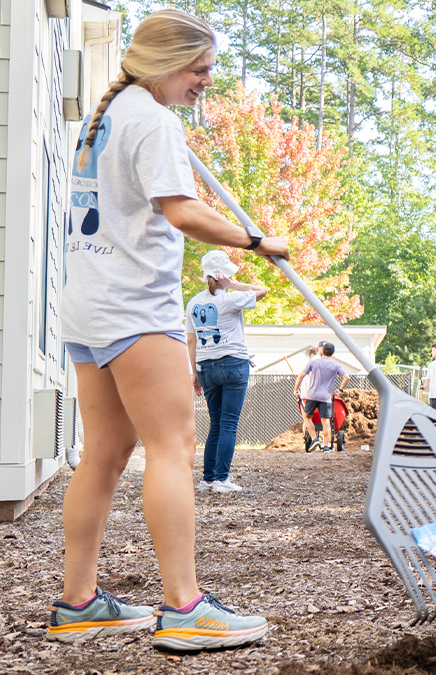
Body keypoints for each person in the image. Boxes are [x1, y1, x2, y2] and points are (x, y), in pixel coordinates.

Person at [50, 9, 288, 650]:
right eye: (200, 68)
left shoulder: (112, 114)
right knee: (174, 445)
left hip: (88, 307)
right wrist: (257, 240)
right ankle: (185, 607)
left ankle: (79, 600)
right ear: (165, 63)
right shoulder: (152, 120)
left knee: (104, 453)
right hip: (134, 309)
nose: (207, 81)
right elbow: (180, 211)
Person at [186, 249, 268, 493]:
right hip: (233, 363)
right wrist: (232, 284)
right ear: (223, 275)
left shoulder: (193, 303)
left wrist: (195, 373)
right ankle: (222, 479)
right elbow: (262, 290)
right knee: (229, 423)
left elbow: (191, 341)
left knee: (216, 424)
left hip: (206, 366)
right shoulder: (231, 298)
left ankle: (208, 479)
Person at [293, 340, 349, 453]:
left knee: (307, 417)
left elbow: (301, 376)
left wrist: (296, 389)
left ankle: (314, 439)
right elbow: (347, 377)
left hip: (312, 396)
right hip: (326, 397)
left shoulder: (314, 362)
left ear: (322, 350)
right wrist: (340, 389)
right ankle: (327, 446)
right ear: (333, 353)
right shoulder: (336, 365)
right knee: (326, 421)